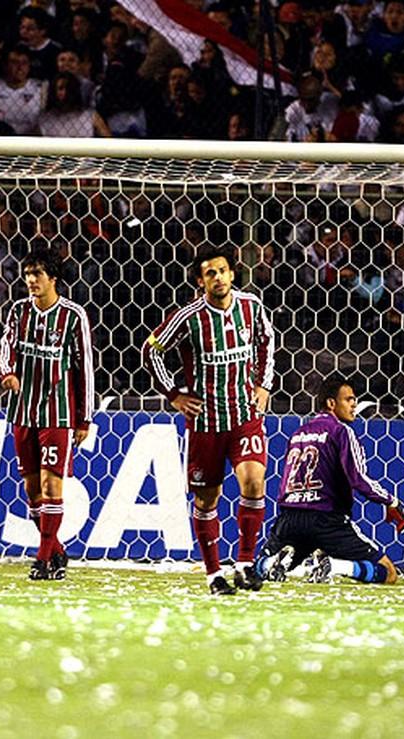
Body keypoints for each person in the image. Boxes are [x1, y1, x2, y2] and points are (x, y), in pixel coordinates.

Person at [142, 245, 275, 596]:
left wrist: (263, 385)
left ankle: (245, 564)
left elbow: (266, 341)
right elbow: (151, 350)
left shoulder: (251, 307)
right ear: (200, 281)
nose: (218, 278)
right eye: (210, 273)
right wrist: (174, 394)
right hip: (205, 423)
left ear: (232, 273)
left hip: (245, 416)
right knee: (206, 500)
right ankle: (214, 573)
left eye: (222, 271)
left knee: (254, 482)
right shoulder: (188, 317)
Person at [0, 248, 93, 581]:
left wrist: (84, 417)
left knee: (52, 485)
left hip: (58, 413)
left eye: (37, 274)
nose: (31, 280)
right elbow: (7, 346)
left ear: (53, 278)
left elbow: (85, 368)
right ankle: (57, 551)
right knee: (32, 490)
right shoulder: (19, 311)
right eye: (27, 274)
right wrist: (8, 372)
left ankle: (41, 559)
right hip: (23, 411)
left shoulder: (73, 316)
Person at [257, 377, 404, 585]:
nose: (354, 404)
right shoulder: (341, 431)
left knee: (257, 567)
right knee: (388, 573)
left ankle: (271, 563)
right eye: (348, 399)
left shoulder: (298, 434)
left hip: (290, 519)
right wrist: (391, 501)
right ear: (331, 403)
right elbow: (358, 479)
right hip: (327, 521)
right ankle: (335, 566)